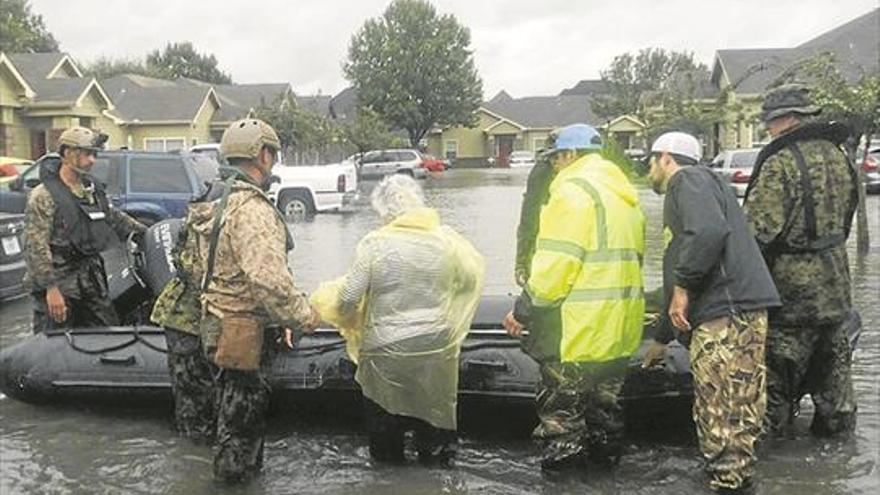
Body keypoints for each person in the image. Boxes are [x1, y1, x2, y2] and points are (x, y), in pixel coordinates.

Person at [311, 174, 485, 466]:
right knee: (435, 425)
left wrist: (343, 318)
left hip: (386, 351)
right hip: (436, 348)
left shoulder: (375, 244)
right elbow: (469, 281)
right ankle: (435, 471)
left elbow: (350, 296)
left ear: (383, 209)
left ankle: (390, 477)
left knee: (386, 434)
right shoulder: (447, 242)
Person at [641, 132, 780, 494]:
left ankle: (727, 483)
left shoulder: (688, 180)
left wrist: (683, 289)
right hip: (743, 308)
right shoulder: (709, 185)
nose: (649, 171)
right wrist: (660, 338)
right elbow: (686, 256)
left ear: (666, 158)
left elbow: (707, 232)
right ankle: (735, 479)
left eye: (650, 162)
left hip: (725, 311)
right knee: (741, 405)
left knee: (720, 405)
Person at [503, 123, 645, 472]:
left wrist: (522, 311)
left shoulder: (570, 192)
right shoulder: (624, 195)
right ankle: (606, 478)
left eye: (554, 159)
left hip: (577, 334)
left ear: (569, 155)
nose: (552, 166)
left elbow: (553, 270)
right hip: (619, 331)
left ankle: (564, 484)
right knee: (606, 416)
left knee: (562, 423)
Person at [196, 118, 321, 482]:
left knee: (229, 421)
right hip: (242, 334)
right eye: (274, 154)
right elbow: (269, 281)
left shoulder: (217, 202)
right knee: (240, 435)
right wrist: (303, 317)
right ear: (263, 155)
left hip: (215, 324)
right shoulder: (252, 210)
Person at [743, 83, 859, 438]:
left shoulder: (780, 164)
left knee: (773, 395)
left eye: (771, 121)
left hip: (790, 302)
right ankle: (836, 469)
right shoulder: (841, 158)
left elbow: (756, 235)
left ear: (788, 120)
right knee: (836, 392)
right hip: (837, 292)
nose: (767, 129)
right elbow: (846, 222)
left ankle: (776, 473)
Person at [23, 126, 146, 332]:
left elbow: (114, 218)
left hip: (91, 280)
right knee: (56, 343)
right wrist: (51, 289)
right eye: (87, 153)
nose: (92, 160)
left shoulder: (91, 189)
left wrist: (146, 233)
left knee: (108, 335)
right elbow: (36, 246)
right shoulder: (43, 196)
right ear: (68, 153)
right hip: (60, 282)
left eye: (94, 154)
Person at [150, 182, 228, 443]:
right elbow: (202, 279)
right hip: (186, 322)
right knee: (193, 398)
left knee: (199, 394)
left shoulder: (198, 224)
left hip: (192, 319)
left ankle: (196, 448)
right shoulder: (206, 229)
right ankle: (193, 452)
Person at [514, 132, 557, 286]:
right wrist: (522, 263)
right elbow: (530, 217)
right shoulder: (543, 172)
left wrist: (521, 263)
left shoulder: (542, 170)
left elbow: (528, 218)